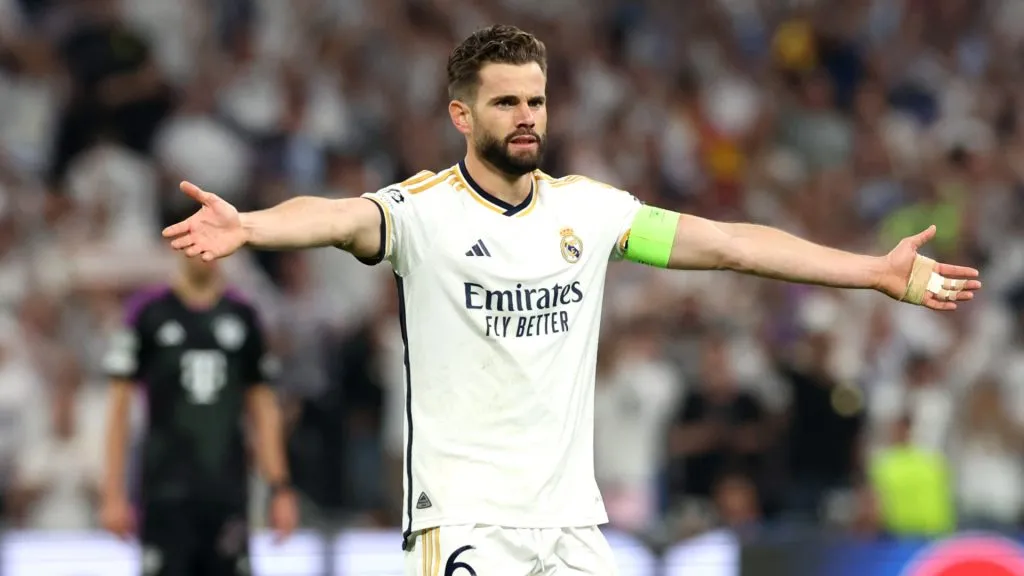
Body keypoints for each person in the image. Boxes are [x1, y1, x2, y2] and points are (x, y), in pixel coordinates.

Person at [160, 24, 980, 576]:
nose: (527, 117)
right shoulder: (422, 212)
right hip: (470, 519)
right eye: (506, 102)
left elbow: (734, 244)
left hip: (574, 525)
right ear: (461, 113)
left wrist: (871, 270)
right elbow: (337, 217)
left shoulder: (590, 211)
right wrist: (253, 227)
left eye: (537, 101)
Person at [99, 255, 298, 576]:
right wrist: (112, 493)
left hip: (227, 493)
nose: (203, 253)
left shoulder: (243, 315)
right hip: (164, 493)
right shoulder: (147, 312)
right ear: (176, 248)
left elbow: (263, 409)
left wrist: (280, 488)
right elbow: (119, 408)